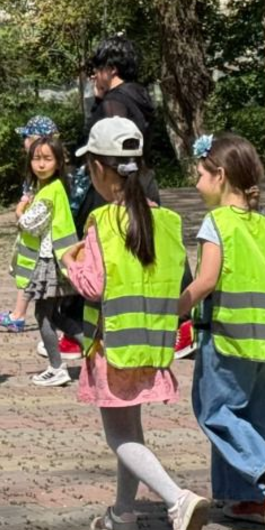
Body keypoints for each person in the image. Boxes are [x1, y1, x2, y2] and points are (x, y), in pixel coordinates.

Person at [67, 118, 208, 530]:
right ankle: (123, 516)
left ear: (98, 169)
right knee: (132, 430)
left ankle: (176, 499)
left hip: (113, 346)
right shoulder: (166, 220)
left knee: (119, 437)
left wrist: (69, 260)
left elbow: (92, 286)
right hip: (152, 344)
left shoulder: (102, 221)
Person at [176, 132, 265, 529]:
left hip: (229, 333)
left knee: (214, 410)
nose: (196, 184)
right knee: (254, 415)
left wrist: (172, 310)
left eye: (199, 175)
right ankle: (247, 497)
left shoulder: (217, 222)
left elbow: (206, 281)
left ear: (220, 175)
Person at [73, 37, 192, 360]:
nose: (94, 76)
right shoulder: (140, 95)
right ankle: (182, 319)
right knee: (157, 241)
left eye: (97, 69)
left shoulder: (114, 103)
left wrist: (98, 103)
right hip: (144, 176)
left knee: (113, 244)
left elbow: (101, 137)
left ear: (111, 69)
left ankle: (101, 322)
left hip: (119, 182)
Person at [18, 134, 82, 387]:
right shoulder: (52, 188)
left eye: (47, 158)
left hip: (49, 260)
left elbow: (31, 224)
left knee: (43, 315)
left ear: (58, 162)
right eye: (36, 158)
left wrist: (20, 211)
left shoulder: (49, 191)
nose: (41, 164)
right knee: (54, 315)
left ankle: (57, 367)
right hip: (58, 258)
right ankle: (97, 351)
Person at [0, 115, 61, 333]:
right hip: (34, 232)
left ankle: (20, 315)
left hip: (39, 233)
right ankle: (18, 313)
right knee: (26, 270)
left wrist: (20, 210)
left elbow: (34, 204)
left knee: (31, 271)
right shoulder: (38, 167)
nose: (23, 142)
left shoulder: (43, 172)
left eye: (26, 137)